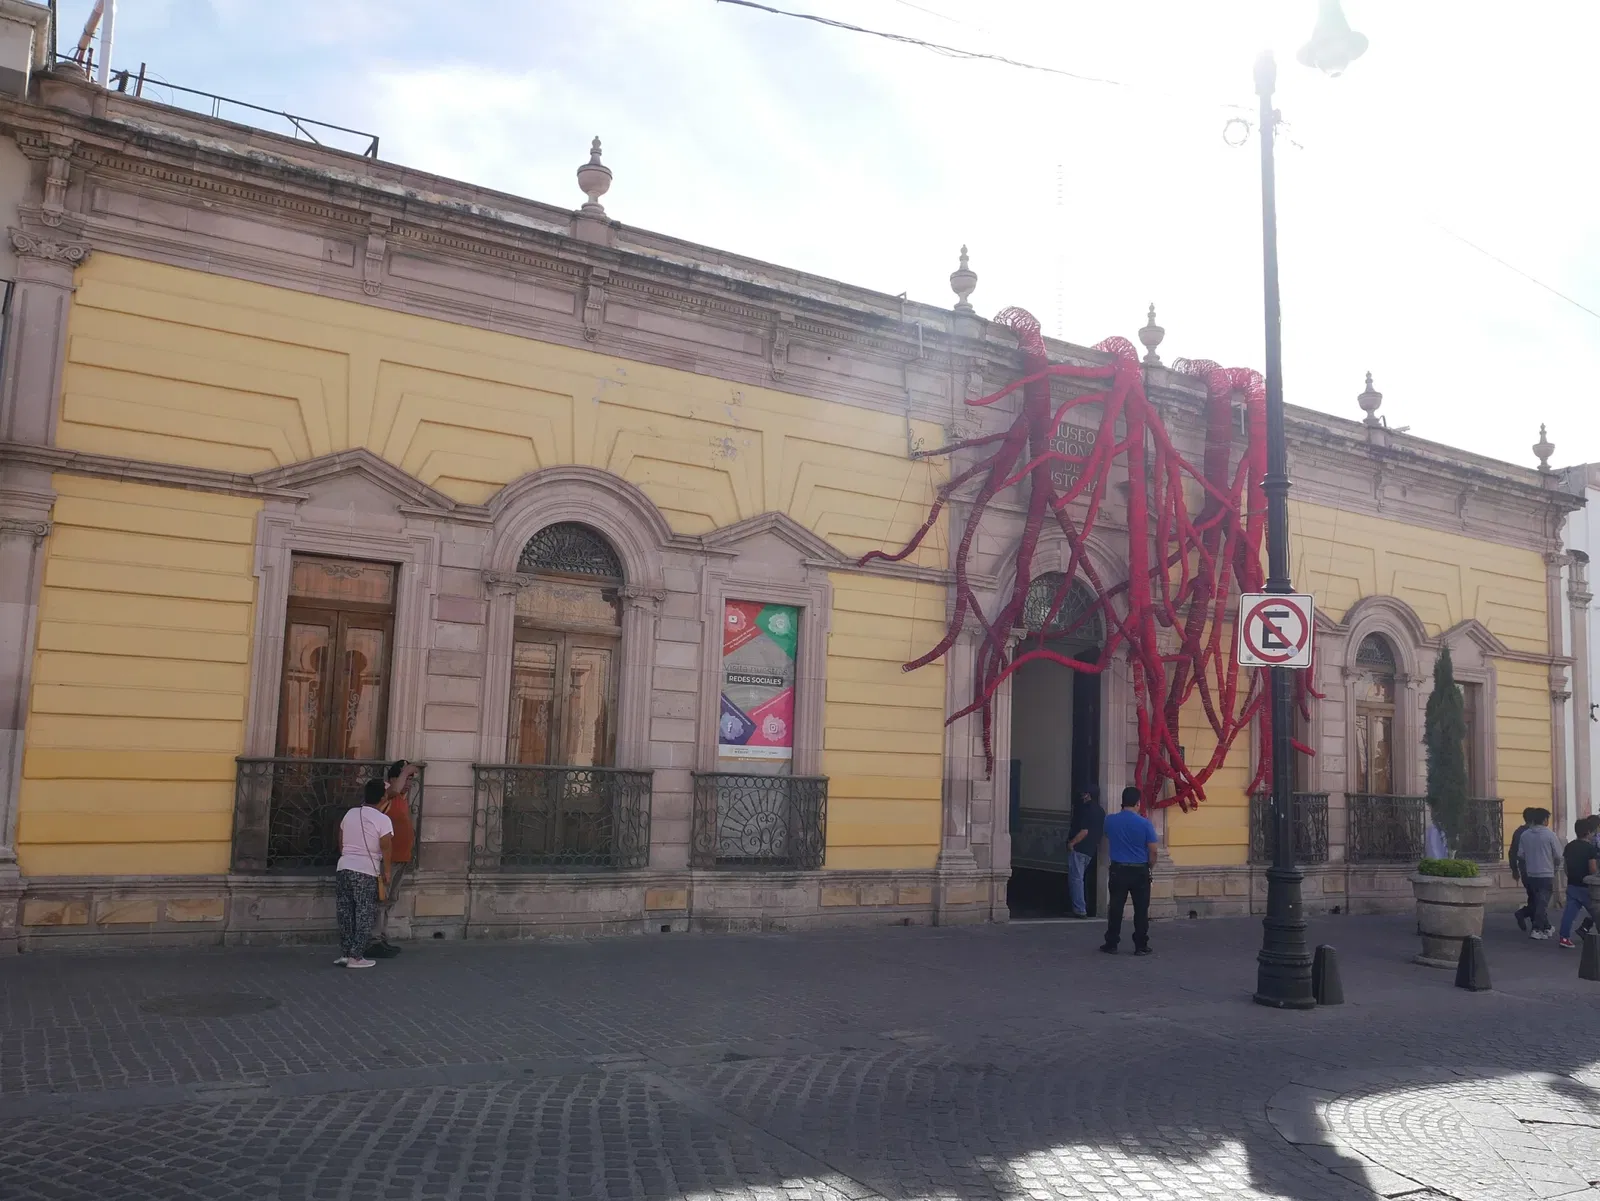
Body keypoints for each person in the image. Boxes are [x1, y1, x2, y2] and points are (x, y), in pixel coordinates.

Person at [335, 778, 393, 969]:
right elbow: (386, 848)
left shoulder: (350, 814)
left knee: (345, 912)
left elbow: (341, 842)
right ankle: (356, 956)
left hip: (344, 867)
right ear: (383, 797)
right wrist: (387, 872)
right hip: (366, 870)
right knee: (364, 913)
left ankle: (345, 953)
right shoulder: (383, 820)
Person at [366, 760, 417, 960]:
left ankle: (381, 936)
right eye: (406, 778)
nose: (409, 783)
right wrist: (407, 769)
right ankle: (373, 940)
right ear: (393, 778)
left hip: (401, 858)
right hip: (387, 860)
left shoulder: (402, 798)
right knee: (380, 899)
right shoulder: (387, 792)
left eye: (412, 780)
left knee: (389, 899)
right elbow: (393, 789)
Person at [1100, 786, 1159, 956]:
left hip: (1118, 869)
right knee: (1141, 909)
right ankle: (1140, 945)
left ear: (1122, 802)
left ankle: (1111, 943)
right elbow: (1153, 850)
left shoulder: (1110, 820)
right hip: (1139, 870)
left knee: (1116, 907)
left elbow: (1107, 837)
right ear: (1138, 803)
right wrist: (1150, 866)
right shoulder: (1145, 824)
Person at [1514, 808, 1561, 940]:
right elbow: (1558, 855)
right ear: (1545, 820)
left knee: (1537, 901)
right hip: (1546, 873)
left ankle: (1546, 927)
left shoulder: (1525, 835)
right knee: (1542, 903)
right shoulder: (1550, 835)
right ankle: (1537, 928)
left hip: (1531, 873)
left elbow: (1520, 855)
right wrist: (1555, 867)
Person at [1557, 815, 1600, 950]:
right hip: (1587, 887)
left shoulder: (1569, 846)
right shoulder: (1590, 849)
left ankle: (1564, 937)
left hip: (1572, 884)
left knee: (1569, 913)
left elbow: (1566, 866)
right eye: (1593, 833)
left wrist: (1570, 876)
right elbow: (1592, 868)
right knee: (1596, 912)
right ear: (1588, 833)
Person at [1065, 784, 1105, 919]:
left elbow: (1084, 831)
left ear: (1088, 794)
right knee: (1080, 878)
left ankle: (1080, 909)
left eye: (1084, 793)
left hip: (1080, 848)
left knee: (1076, 879)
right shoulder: (1100, 811)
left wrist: (1072, 843)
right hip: (1091, 849)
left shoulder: (1087, 810)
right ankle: (1082, 906)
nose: (1082, 796)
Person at [1508, 805, 1537, 929]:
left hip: (1524, 869)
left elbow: (1512, 852)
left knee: (1533, 896)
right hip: (1534, 869)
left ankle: (1536, 922)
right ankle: (1524, 914)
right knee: (1538, 897)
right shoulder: (1532, 833)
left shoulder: (1518, 831)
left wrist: (1514, 869)